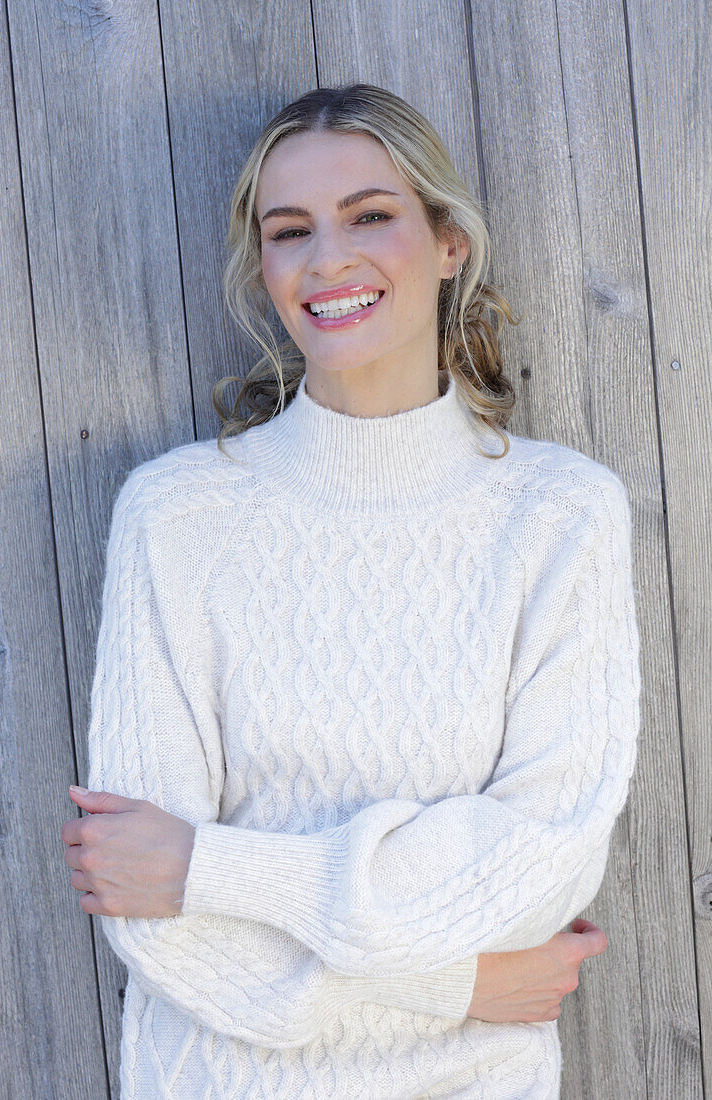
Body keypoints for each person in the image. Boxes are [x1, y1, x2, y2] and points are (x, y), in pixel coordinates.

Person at [60, 83, 642, 1098]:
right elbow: (153, 918)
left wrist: (213, 864)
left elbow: (535, 865)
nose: (328, 257)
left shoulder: (560, 517)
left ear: (448, 241)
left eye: (369, 214)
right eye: (290, 231)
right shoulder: (176, 515)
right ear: (264, 267)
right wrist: (456, 981)